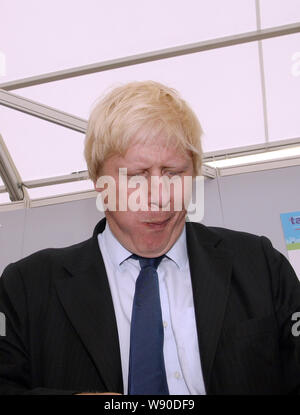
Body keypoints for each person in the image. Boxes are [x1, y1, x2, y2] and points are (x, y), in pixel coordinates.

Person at [0, 81, 300, 395]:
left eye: (173, 173)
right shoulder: (27, 287)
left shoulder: (260, 265)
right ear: (98, 182)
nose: (158, 196)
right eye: (134, 175)